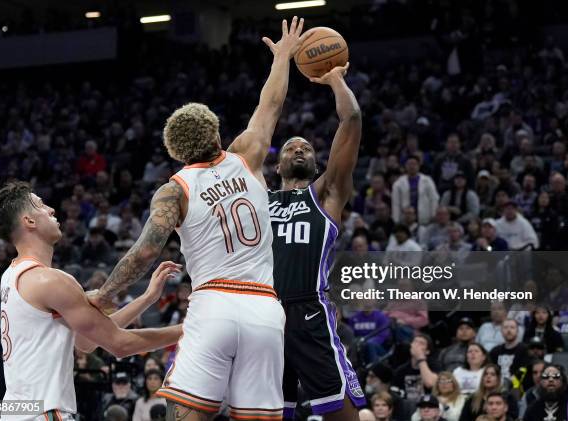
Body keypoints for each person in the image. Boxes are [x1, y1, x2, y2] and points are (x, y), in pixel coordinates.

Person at [90, 17, 308, 421]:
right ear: (215, 131)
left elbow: (146, 251)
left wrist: (103, 297)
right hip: (264, 308)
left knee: (186, 413)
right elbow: (271, 105)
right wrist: (282, 58)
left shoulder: (175, 189)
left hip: (214, 303)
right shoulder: (246, 154)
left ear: (176, 151)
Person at [0, 182, 183, 420]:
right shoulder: (50, 281)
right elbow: (120, 344)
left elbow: (86, 341)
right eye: (41, 205)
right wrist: (190, 329)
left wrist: (146, 299)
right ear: (29, 221)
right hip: (44, 412)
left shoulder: (11, 275)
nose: (51, 210)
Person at [267, 52, 365, 420]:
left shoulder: (326, 194)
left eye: (306, 147)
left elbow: (352, 119)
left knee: (342, 411)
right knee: (270, 414)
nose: (299, 149)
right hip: (263, 314)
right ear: (277, 165)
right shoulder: (258, 199)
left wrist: (336, 80)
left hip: (309, 311)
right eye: (291, 146)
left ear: (316, 163)